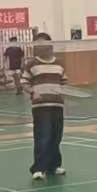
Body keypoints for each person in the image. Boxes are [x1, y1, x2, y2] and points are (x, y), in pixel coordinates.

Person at [23, 32, 67, 181]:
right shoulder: (32, 64)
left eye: (41, 44)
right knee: (43, 136)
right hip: (40, 106)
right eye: (37, 45)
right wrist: (32, 92)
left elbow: (64, 83)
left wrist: (64, 93)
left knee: (56, 136)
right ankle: (39, 168)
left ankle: (53, 166)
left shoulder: (59, 64)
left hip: (57, 104)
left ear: (50, 45)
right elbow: (24, 83)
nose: (38, 47)